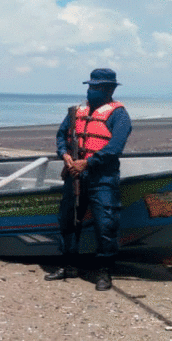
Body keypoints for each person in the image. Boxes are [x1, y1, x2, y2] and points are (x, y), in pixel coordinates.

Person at [44, 68, 132, 291]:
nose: (91, 90)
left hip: (103, 177)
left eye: (97, 87)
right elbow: (62, 135)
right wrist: (64, 155)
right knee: (68, 221)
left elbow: (114, 148)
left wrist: (88, 163)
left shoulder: (119, 115)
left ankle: (103, 271)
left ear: (109, 89)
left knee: (106, 224)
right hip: (74, 174)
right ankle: (69, 265)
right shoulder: (76, 112)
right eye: (90, 86)